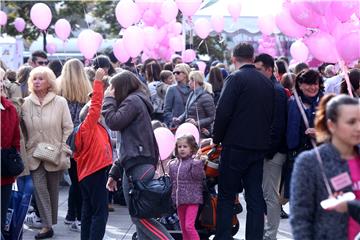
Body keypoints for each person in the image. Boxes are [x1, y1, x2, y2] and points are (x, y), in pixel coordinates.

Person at [213, 43, 275, 240]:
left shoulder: (235, 78)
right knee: (255, 196)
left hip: (235, 145)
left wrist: (217, 138)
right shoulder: (266, 82)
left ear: (233, 59)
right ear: (252, 57)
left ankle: (223, 236)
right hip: (258, 146)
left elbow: (223, 111)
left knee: (226, 195)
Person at [102, 70, 174, 240]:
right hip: (136, 165)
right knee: (139, 218)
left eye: (113, 87)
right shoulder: (136, 101)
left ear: (121, 87)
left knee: (141, 217)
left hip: (138, 167)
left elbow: (113, 122)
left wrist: (109, 99)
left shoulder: (132, 101)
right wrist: (115, 172)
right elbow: (130, 144)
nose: (110, 90)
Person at [290, 94, 360, 239]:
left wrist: (351, 206)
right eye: (351, 122)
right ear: (331, 125)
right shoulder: (310, 162)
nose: (358, 127)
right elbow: (300, 218)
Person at [21, 66, 73, 239]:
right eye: (34, 78)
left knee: (52, 190)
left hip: (54, 153)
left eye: (41, 78)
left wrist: (63, 147)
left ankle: (49, 223)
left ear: (49, 81)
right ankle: (47, 225)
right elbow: (22, 129)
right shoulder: (26, 103)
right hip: (34, 154)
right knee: (39, 188)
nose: (37, 82)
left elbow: (68, 127)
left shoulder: (60, 102)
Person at [73, 68, 112, 240]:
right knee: (100, 212)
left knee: (88, 211)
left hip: (87, 175)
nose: (100, 111)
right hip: (95, 173)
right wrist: (98, 82)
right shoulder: (88, 127)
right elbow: (95, 106)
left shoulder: (90, 129)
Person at [254, 53, 287, 240]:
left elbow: (277, 124)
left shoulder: (276, 90)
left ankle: (270, 236)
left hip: (272, 152)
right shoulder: (270, 88)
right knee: (267, 194)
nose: (255, 73)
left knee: (270, 196)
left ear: (268, 69)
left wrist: (268, 150)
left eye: (258, 69)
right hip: (267, 150)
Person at [58, 58, 93, 231]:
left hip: (65, 140)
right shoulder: (87, 90)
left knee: (74, 180)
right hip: (82, 140)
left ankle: (71, 214)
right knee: (81, 181)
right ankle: (77, 217)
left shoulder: (59, 91)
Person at [285, 69, 324, 200]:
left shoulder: (325, 102)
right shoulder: (292, 102)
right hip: (298, 157)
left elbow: (336, 129)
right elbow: (289, 133)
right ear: (300, 85)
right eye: (309, 84)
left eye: (316, 84)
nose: (313, 87)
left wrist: (319, 133)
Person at [169, 134, 205, 240]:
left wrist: (197, 163)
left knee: (189, 226)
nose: (182, 149)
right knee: (183, 228)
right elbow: (173, 182)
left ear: (191, 148)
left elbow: (198, 176)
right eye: (179, 147)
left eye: (185, 146)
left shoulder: (194, 162)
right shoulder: (174, 164)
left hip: (192, 200)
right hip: (180, 200)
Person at [0, 76, 21, 237]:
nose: (1, 84)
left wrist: (13, 162)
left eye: (2, 80)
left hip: (4, 175)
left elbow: (15, 141)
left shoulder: (10, 109)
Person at [174, 71, 215, 138]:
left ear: (195, 81)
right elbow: (187, 111)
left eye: (190, 80)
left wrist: (197, 123)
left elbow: (212, 117)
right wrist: (179, 119)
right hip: (191, 131)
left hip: (202, 133)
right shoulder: (192, 93)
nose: (188, 83)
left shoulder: (206, 96)